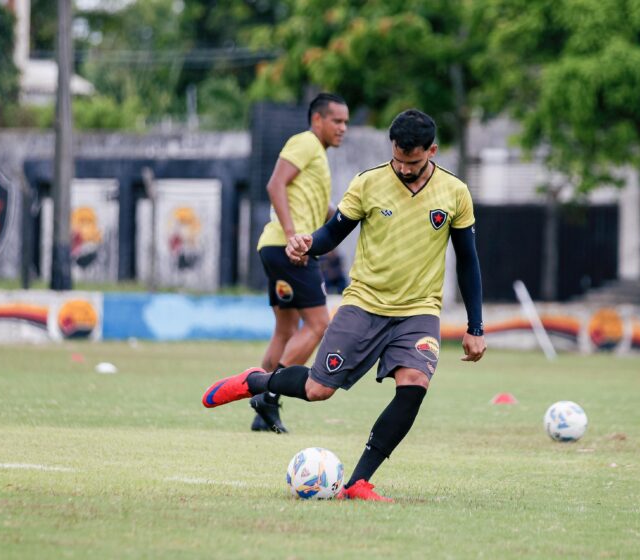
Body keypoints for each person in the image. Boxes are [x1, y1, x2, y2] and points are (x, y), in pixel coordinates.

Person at [203, 109, 486, 501]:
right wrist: (307, 242)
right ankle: (256, 382)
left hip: (419, 310)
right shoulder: (368, 183)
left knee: (415, 385)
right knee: (319, 390)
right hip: (364, 304)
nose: (403, 169)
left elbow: (468, 260)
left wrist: (475, 327)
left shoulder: (455, 192)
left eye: (413, 162)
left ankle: (357, 482)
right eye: (399, 159)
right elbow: (333, 233)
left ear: (432, 151)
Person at [249, 93, 350, 434]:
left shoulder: (318, 156)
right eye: (337, 121)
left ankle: (260, 410)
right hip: (289, 248)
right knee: (320, 324)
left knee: (286, 329)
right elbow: (275, 183)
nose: (343, 128)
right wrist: (294, 235)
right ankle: (269, 395)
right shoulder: (305, 142)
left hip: (276, 247)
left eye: (346, 122)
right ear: (317, 120)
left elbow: (325, 210)